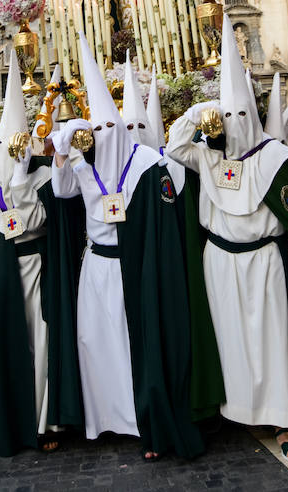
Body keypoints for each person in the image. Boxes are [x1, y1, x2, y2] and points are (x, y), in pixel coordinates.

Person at [166, 15, 288, 464]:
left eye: (240, 113)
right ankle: (238, 409)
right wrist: (197, 111)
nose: (233, 122)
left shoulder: (276, 158)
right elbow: (172, 146)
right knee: (229, 338)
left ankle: (285, 418)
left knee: (272, 340)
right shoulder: (207, 158)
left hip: (265, 262)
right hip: (219, 262)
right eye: (225, 115)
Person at [49, 38, 203, 459]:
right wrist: (63, 148)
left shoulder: (146, 166)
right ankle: (105, 419)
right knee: (96, 342)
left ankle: (140, 417)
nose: (103, 135)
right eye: (95, 129)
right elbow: (61, 191)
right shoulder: (85, 166)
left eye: (108, 127)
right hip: (97, 268)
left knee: (132, 340)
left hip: (135, 267)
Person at [0, 49, 85, 456]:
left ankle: (43, 419)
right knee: (6, 346)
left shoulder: (42, 179)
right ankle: (8, 416)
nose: (15, 153)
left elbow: (40, 220)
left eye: (20, 146)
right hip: (1, 276)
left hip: (38, 269)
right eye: (8, 146)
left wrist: (24, 177)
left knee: (41, 344)